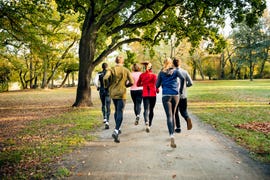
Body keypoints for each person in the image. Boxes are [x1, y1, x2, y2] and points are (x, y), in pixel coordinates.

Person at [103, 56, 134, 143]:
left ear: (115, 61)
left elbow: (105, 78)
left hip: (113, 93)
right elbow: (132, 82)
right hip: (122, 93)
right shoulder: (126, 70)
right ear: (122, 62)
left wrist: (107, 86)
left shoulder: (111, 69)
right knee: (120, 111)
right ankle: (116, 130)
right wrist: (126, 86)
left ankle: (118, 127)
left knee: (116, 110)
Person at [156, 57, 184, 148]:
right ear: (171, 63)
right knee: (174, 113)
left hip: (166, 96)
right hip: (175, 95)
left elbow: (157, 85)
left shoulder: (161, 73)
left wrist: (162, 83)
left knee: (169, 116)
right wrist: (180, 89)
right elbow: (183, 78)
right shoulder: (176, 71)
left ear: (164, 63)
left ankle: (171, 134)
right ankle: (173, 134)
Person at [173, 58, 193, 133]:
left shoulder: (172, 72)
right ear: (180, 63)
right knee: (183, 110)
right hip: (183, 95)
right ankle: (187, 118)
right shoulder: (184, 72)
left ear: (173, 64)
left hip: (174, 95)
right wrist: (185, 86)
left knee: (175, 112)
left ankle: (178, 127)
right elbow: (191, 83)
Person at [137, 62, 158, 133]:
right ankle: (150, 124)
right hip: (153, 94)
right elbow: (156, 85)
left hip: (145, 94)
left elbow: (137, 84)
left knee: (146, 109)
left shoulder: (142, 75)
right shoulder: (154, 75)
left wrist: (143, 84)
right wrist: (157, 90)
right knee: (151, 109)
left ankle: (146, 122)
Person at [93, 62, 111, 129]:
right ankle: (107, 121)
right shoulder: (109, 73)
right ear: (107, 67)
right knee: (108, 105)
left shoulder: (99, 73)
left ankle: (104, 118)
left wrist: (97, 87)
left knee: (103, 104)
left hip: (102, 90)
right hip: (108, 90)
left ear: (102, 67)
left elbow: (95, 81)